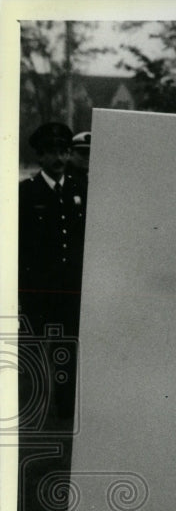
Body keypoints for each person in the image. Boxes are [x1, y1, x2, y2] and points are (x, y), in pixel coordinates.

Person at [19, 122, 88, 424]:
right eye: (51, 153)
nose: (59, 158)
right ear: (40, 157)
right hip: (38, 294)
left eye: (64, 151)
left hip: (70, 293)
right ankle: (31, 417)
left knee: (67, 356)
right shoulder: (27, 192)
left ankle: (63, 418)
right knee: (33, 358)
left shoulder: (80, 190)